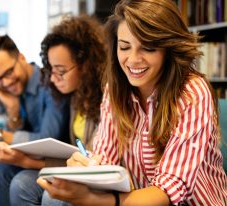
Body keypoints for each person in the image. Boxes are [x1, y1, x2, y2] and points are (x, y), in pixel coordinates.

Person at [37, 0, 227, 205]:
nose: (133, 60)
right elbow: (105, 159)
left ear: (168, 48)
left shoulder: (192, 92)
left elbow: (167, 192)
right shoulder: (116, 89)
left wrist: (91, 198)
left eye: (148, 48)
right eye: (124, 47)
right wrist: (86, 167)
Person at [0, 15, 108, 206]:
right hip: (72, 165)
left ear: (86, 65)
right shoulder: (75, 95)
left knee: (33, 189)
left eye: (60, 70)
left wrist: (25, 161)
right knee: (3, 169)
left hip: (92, 173)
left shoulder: (104, 98)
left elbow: (90, 163)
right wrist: (12, 111)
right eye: (51, 69)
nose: (52, 78)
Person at [0, 35, 70, 206]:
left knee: (0, 158)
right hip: (34, 155)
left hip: (55, 158)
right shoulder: (16, 90)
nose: (5, 82)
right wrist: (13, 111)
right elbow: (14, 135)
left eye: (8, 72)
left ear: (21, 58)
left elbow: (47, 139)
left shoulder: (50, 83)